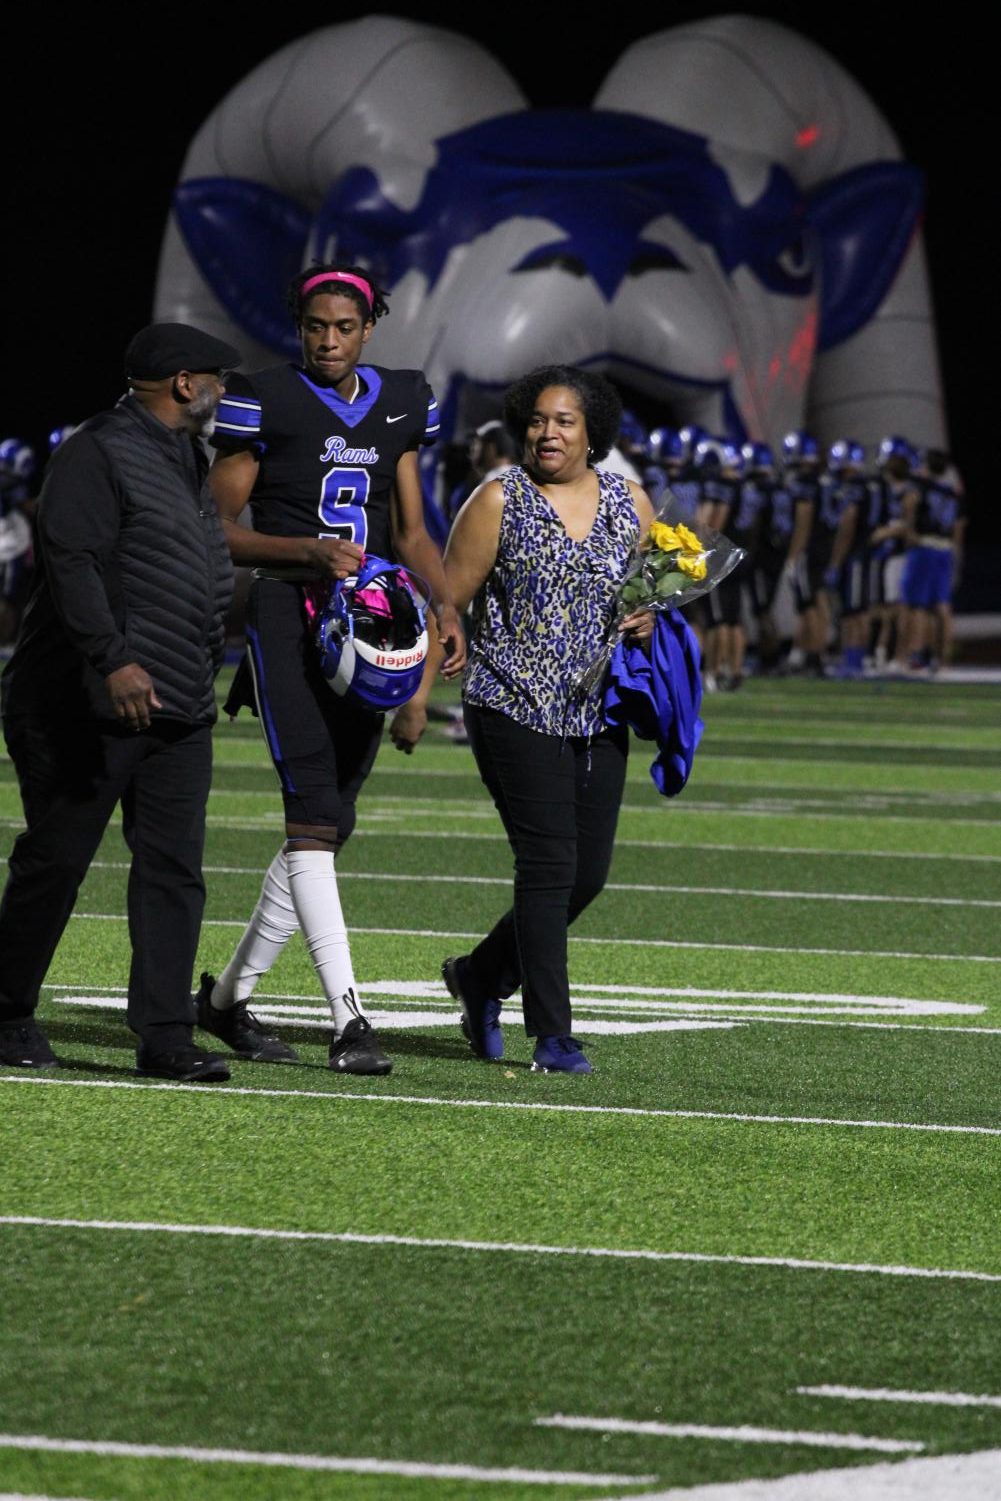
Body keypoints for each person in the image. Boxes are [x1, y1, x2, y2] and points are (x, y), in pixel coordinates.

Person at [199, 261, 465, 1075]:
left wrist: (447, 604)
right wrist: (301, 550)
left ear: (368, 327)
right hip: (288, 612)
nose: (327, 340)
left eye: (343, 326)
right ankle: (349, 1019)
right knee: (312, 813)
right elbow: (214, 525)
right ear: (299, 326)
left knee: (328, 823)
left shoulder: (400, 399)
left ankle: (220, 1003)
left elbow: (412, 530)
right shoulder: (263, 397)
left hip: (374, 623)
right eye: (315, 326)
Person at [0, 322, 239, 1079]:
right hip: (89, 700)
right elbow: (71, 560)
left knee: (174, 867)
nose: (224, 391)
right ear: (182, 384)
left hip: (179, 701)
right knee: (56, 859)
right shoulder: (97, 448)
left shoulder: (184, 454)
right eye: (217, 378)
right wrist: (114, 659)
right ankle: (6, 1014)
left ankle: (166, 1035)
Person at [434, 365, 654, 1075]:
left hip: (597, 711)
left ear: (592, 432)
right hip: (510, 699)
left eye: (562, 421)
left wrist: (650, 616)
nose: (546, 432)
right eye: (536, 420)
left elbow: (648, 596)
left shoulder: (631, 502)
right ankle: (553, 1034)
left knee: (586, 874)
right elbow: (448, 595)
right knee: (548, 862)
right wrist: (443, 636)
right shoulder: (499, 498)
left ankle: (480, 975)